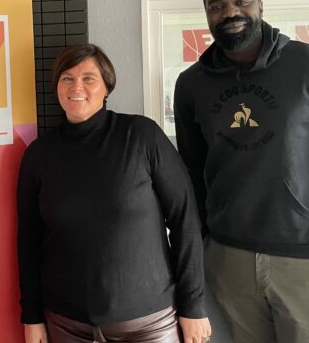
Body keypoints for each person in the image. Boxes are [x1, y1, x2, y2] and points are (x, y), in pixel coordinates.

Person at [174, 0, 309, 343]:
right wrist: (207, 244)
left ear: (261, 6)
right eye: (216, 7)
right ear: (206, 16)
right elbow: (192, 173)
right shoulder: (191, 85)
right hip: (230, 260)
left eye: (241, 1)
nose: (229, 12)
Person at [17, 44, 212, 343]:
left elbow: (185, 219)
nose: (76, 87)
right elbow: (28, 239)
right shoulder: (38, 155)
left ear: (107, 86)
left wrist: (194, 306)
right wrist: (31, 316)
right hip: (67, 324)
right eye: (67, 78)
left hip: (148, 324)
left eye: (88, 78)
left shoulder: (141, 136)